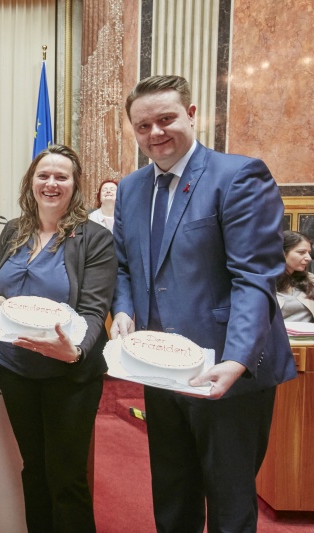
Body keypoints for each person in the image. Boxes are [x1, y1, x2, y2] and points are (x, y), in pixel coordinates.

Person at [110, 75, 297, 532]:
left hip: (226, 371)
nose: (155, 133)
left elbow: (254, 278)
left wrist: (236, 360)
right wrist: (123, 310)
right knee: (173, 498)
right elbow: (124, 268)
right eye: (143, 125)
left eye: (166, 119)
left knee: (231, 505)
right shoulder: (132, 189)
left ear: (191, 115)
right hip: (159, 368)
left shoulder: (238, 176)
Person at [0, 145, 116, 532]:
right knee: (34, 469)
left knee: (67, 477)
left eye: (62, 177)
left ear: (75, 186)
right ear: (31, 182)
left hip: (68, 373)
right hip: (15, 368)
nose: (52, 183)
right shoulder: (14, 230)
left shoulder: (93, 238)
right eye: (44, 175)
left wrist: (74, 352)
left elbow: (94, 309)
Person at [276, 230, 314, 321]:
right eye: (301, 252)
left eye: (309, 253)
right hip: (278, 334)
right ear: (283, 253)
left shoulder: (311, 280)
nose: (308, 258)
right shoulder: (265, 281)